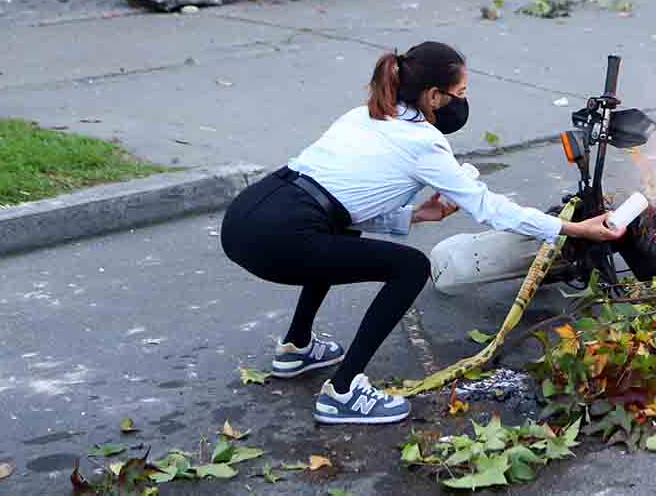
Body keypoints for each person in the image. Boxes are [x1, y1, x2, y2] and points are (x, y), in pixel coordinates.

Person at [219, 42, 625, 424]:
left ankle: (296, 347)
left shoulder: (366, 114)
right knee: (411, 267)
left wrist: (416, 215)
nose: (463, 103)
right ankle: (342, 393)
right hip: (278, 239)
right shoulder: (424, 144)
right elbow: (489, 208)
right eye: (460, 92)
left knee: (336, 234)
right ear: (434, 96)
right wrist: (572, 228)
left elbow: (338, 203)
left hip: (248, 216)